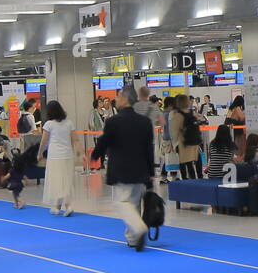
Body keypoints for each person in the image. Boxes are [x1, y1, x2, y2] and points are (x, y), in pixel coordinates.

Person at [90, 89, 156, 251]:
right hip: (141, 169)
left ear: (125, 99)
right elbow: (149, 149)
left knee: (121, 202)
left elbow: (103, 142)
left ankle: (139, 228)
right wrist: (151, 172)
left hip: (121, 169)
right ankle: (132, 238)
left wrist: (95, 155)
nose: (116, 99)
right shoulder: (145, 122)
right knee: (134, 203)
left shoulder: (114, 121)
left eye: (118, 97)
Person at [39, 100, 76, 216]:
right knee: (66, 180)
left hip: (55, 156)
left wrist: (39, 153)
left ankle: (67, 205)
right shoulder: (69, 123)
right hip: (68, 155)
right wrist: (81, 153)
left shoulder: (49, 124)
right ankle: (58, 206)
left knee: (57, 182)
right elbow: (75, 140)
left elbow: (43, 141)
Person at [170, 93, 202, 179]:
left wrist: (173, 144)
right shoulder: (192, 113)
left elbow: (174, 131)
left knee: (184, 163)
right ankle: (196, 180)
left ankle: (185, 181)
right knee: (192, 164)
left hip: (184, 143)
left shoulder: (178, 115)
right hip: (195, 142)